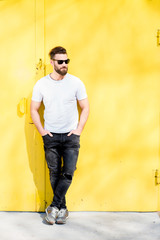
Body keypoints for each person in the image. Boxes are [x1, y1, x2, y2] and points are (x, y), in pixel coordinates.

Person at [30, 46, 89, 225]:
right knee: (54, 172)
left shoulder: (76, 82)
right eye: (60, 61)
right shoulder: (41, 84)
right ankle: (62, 209)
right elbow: (34, 109)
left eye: (66, 61)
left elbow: (85, 107)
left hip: (71, 137)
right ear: (52, 62)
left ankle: (54, 207)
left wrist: (79, 129)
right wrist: (42, 131)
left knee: (68, 172)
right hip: (51, 136)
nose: (64, 64)